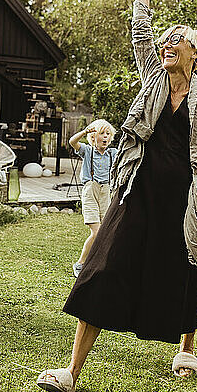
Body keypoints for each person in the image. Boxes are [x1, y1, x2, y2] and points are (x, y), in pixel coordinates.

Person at [37, 0, 197, 392]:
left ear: (196, 52)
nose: (167, 44)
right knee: (101, 266)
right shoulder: (152, 80)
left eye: (178, 40)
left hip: (184, 201)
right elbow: (140, 28)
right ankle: (71, 372)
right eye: (165, 40)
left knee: (188, 268)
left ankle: (186, 347)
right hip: (137, 190)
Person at [69, 119, 117, 277]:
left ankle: (99, 263)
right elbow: (72, 141)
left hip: (106, 192)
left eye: (108, 134)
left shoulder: (112, 153)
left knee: (106, 232)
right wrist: (84, 132)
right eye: (101, 133)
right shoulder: (87, 151)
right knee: (96, 232)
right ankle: (80, 263)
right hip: (90, 190)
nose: (105, 137)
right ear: (93, 137)